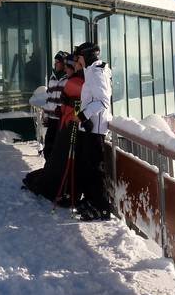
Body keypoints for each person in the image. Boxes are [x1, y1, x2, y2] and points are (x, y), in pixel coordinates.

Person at [22, 53, 84, 205]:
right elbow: (53, 98)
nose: (57, 65)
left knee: (61, 153)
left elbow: (77, 103)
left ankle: (61, 184)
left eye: (60, 63)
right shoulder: (57, 78)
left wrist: (72, 114)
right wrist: (50, 112)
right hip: (59, 119)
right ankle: (51, 176)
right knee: (51, 149)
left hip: (67, 123)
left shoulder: (73, 81)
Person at [73, 41, 113, 221]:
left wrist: (83, 115)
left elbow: (103, 101)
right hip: (88, 128)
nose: (78, 60)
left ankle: (101, 207)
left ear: (88, 56)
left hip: (95, 130)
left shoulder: (97, 72)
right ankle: (91, 201)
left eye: (80, 57)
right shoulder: (91, 71)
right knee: (86, 167)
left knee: (95, 170)